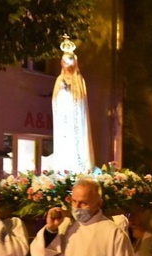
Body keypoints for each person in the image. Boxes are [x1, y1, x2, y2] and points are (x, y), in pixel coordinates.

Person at [51, 45, 94, 173]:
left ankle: (80, 167)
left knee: (76, 144)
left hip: (74, 118)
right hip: (63, 118)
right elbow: (55, 99)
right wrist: (63, 91)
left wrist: (70, 92)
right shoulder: (59, 80)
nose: (67, 65)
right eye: (64, 62)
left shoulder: (79, 80)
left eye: (69, 62)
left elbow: (81, 100)